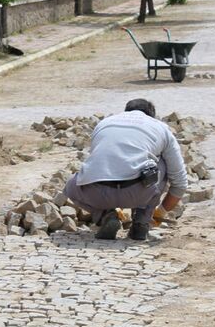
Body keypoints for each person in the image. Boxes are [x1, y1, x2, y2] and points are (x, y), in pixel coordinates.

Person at [64, 98, 187, 241]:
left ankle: (106, 216)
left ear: (126, 112)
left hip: (96, 193)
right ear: (151, 115)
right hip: (139, 193)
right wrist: (161, 212)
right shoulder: (160, 128)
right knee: (161, 164)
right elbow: (180, 182)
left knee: (70, 186)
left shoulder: (104, 123)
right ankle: (142, 222)